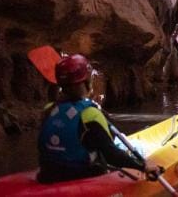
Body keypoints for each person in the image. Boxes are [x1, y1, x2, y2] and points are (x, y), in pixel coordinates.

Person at [37, 54, 156, 183]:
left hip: (48, 175)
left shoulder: (49, 109)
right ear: (86, 82)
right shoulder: (90, 114)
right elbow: (111, 156)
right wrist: (143, 167)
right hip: (82, 177)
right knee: (136, 148)